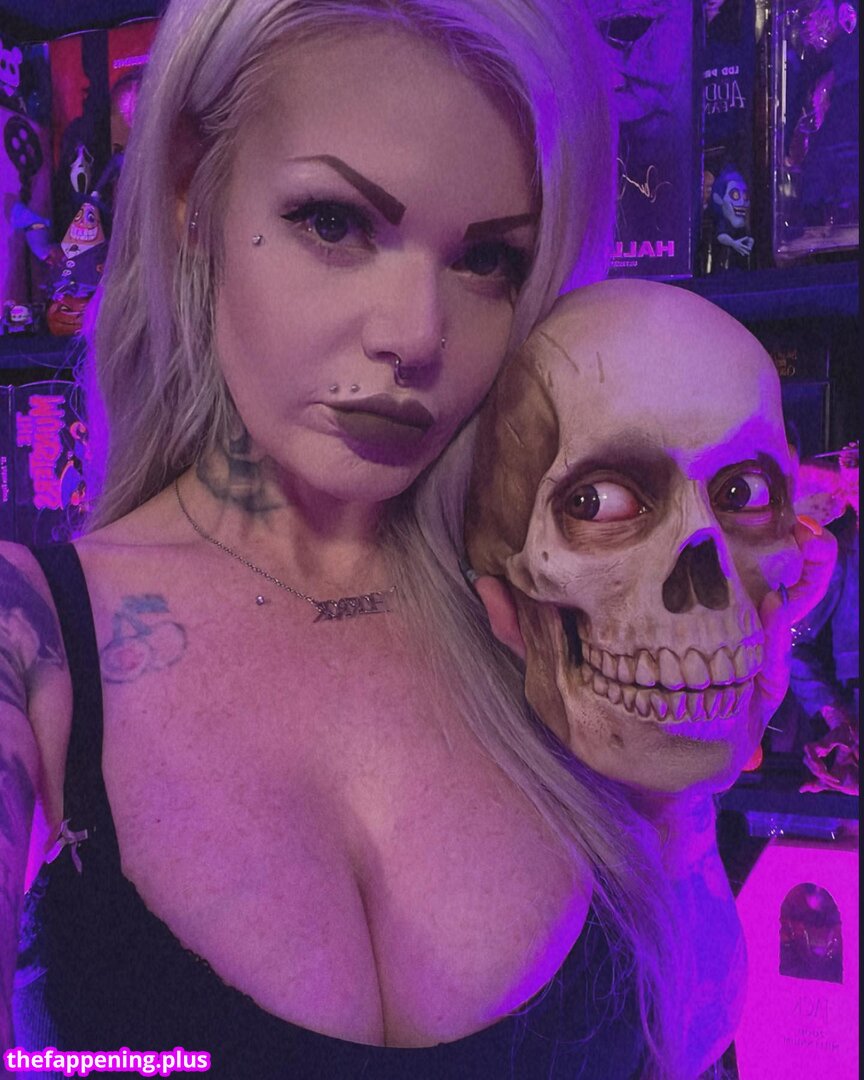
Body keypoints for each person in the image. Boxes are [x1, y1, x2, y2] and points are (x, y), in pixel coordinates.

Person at [0, 2, 834, 1079]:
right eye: (335, 223)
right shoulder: (29, 643)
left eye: (488, 258)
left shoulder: (555, 614)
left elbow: (685, 1038)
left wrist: (677, 799)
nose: (416, 335)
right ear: (192, 194)